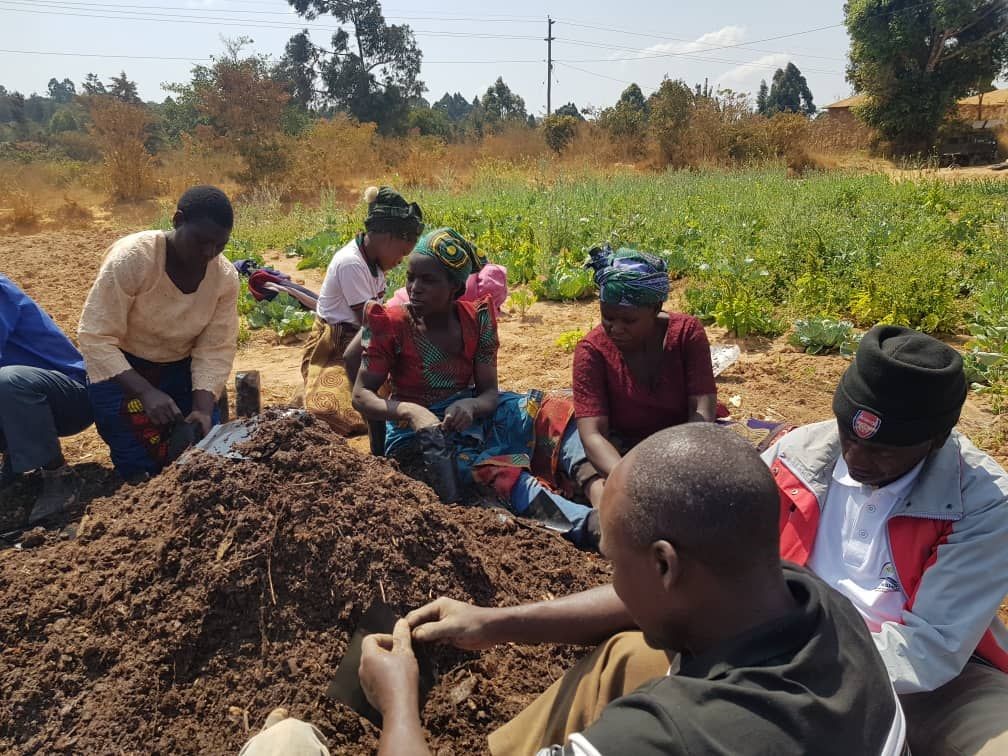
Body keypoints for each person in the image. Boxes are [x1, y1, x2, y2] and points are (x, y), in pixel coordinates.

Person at [358, 424, 907, 756]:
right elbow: (636, 604)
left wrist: (399, 702)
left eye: (614, 563)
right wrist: (493, 622)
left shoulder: (664, 738)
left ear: (666, 565)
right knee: (630, 650)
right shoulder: (821, 605)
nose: (611, 579)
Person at [761, 325, 1008, 755]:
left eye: (884, 451)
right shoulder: (795, 456)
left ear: (935, 441)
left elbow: (931, 647)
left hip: (933, 683)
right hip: (788, 648)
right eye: (849, 437)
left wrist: (803, 671)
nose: (856, 459)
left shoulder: (983, 502)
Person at [351, 227, 602, 547]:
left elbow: (488, 393)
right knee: (493, 472)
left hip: (469, 411)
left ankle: (596, 485)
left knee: (553, 410)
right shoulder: (391, 323)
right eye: (411, 277)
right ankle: (590, 527)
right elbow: (361, 394)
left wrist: (471, 406)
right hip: (418, 434)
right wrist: (412, 411)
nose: (414, 288)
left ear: (455, 287)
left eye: (428, 281)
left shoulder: (477, 320)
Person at [78, 185, 239, 481]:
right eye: (201, 241)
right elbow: (95, 336)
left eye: (220, 245)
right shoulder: (135, 258)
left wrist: (203, 409)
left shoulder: (225, 278)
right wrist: (145, 391)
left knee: (206, 454)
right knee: (138, 467)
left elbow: (215, 348)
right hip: (124, 371)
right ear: (177, 220)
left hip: (181, 367)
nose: (209, 253)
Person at [573, 244, 717, 484]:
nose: (615, 328)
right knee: (582, 468)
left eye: (629, 320)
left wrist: (684, 463)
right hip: (624, 450)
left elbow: (702, 409)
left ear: (656, 308)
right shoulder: (592, 351)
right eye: (607, 317)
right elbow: (594, 434)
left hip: (686, 441)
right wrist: (632, 481)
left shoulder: (686, 333)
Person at [301, 186, 422, 437]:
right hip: (333, 347)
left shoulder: (375, 264)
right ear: (385, 237)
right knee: (337, 413)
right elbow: (368, 324)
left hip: (362, 340)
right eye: (401, 252)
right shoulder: (351, 264)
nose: (400, 260)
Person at [0, 275, 94, 522]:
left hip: (69, 396)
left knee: (9, 381)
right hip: (21, 402)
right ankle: (14, 462)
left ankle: (59, 477)